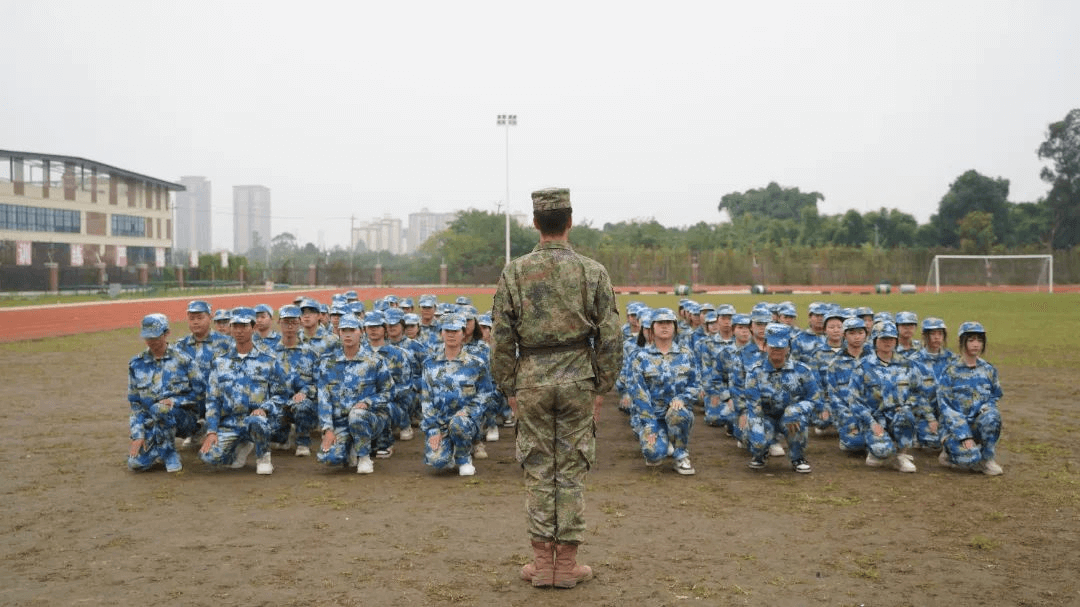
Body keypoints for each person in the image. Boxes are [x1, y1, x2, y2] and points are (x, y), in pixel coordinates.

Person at [491, 187, 622, 590]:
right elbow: (612, 337)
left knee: (537, 468)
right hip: (578, 380)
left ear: (535, 223)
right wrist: (601, 385)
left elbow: (499, 337)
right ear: (570, 221)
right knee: (570, 469)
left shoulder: (515, 272)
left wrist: (508, 384)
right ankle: (565, 564)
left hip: (531, 379)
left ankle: (541, 563)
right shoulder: (593, 271)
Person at [199, 307, 291, 475]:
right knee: (209, 457)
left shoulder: (268, 360)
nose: (239, 331)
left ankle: (263, 456)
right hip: (231, 422)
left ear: (253, 327)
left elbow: (282, 395)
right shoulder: (220, 362)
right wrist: (212, 431)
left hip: (259, 420)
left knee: (257, 422)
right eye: (235, 326)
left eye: (244, 326)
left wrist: (264, 408)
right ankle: (240, 446)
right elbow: (213, 399)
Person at [846, 321, 934, 473]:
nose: (888, 342)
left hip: (899, 416)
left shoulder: (908, 365)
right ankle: (879, 449)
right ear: (875, 341)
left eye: (891, 339)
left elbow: (919, 392)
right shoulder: (863, 367)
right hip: (875, 418)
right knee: (882, 452)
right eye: (883, 339)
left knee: (906, 415)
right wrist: (871, 423)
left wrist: (911, 408)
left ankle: (901, 454)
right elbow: (854, 400)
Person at [626, 308, 701, 475]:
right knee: (653, 455)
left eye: (669, 323)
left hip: (676, 412)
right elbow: (638, 392)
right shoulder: (641, 357)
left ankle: (681, 454)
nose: (665, 326)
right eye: (660, 323)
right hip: (653, 416)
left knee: (678, 413)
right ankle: (663, 441)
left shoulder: (686, 355)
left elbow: (696, 384)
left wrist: (683, 398)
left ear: (675, 327)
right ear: (652, 328)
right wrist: (650, 424)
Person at [316, 314, 393, 474]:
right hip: (341, 423)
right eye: (344, 330)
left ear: (361, 332)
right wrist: (327, 430)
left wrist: (368, 403)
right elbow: (324, 400)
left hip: (369, 419)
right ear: (339, 332)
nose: (348, 334)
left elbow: (388, 392)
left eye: (352, 330)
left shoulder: (374, 361)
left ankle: (364, 457)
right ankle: (349, 446)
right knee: (328, 458)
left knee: (357, 415)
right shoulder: (327, 363)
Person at [127, 314, 203, 473]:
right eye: (147, 337)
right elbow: (135, 404)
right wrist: (138, 435)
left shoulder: (183, 360)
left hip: (182, 417)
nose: (152, 341)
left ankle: (170, 453)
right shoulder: (136, 364)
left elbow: (200, 393)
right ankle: (159, 447)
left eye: (156, 336)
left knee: (160, 409)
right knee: (136, 464)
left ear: (166, 333)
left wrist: (175, 401)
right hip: (153, 423)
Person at [420, 314, 494, 476]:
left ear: (463, 333)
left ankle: (464, 458)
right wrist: (433, 429)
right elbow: (426, 399)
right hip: (440, 423)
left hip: (466, 421)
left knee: (458, 424)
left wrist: (468, 412)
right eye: (447, 331)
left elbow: (486, 393)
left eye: (456, 331)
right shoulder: (429, 364)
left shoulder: (476, 363)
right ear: (441, 333)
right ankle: (450, 448)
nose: (451, 335)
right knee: (438, 461)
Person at [740, 324, 820, 473]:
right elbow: (754, 408)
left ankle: (798, 458)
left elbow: (814, 398)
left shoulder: (802, 370)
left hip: (791, 417)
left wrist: (796, 409)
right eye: (773, 346)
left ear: (788, 348)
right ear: (765, 347)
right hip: (766, 417)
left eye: (781, 347)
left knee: (795, 419)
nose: (777, 350)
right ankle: (760, 455)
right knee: (757, 441)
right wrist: (757, 440)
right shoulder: (755, 372)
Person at [937, 322, 1004, 475]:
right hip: (955, 428)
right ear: (963, 342)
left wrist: (987, 409)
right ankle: (949, 452)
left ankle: (987, 458)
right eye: (971, 340)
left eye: (980, 340)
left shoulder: (988, 369)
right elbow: (946, 407)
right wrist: (964, 435)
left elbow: (995, 395)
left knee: (993, 416)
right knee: (968, 459)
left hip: (977, 423)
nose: (976, 344)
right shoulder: (951, 371)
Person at [268, 304, 319, 456]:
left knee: (302, 405)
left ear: (300, 323)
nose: (290, 326)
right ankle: (282, 436)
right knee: (275, 441)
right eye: (286, 322)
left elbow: (320, 382)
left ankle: (303, 442)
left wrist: (305, 392)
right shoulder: (269, 354)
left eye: (294, 322)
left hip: (303, 403)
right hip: (278, 402)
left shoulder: (310, 353)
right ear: (279, 323)